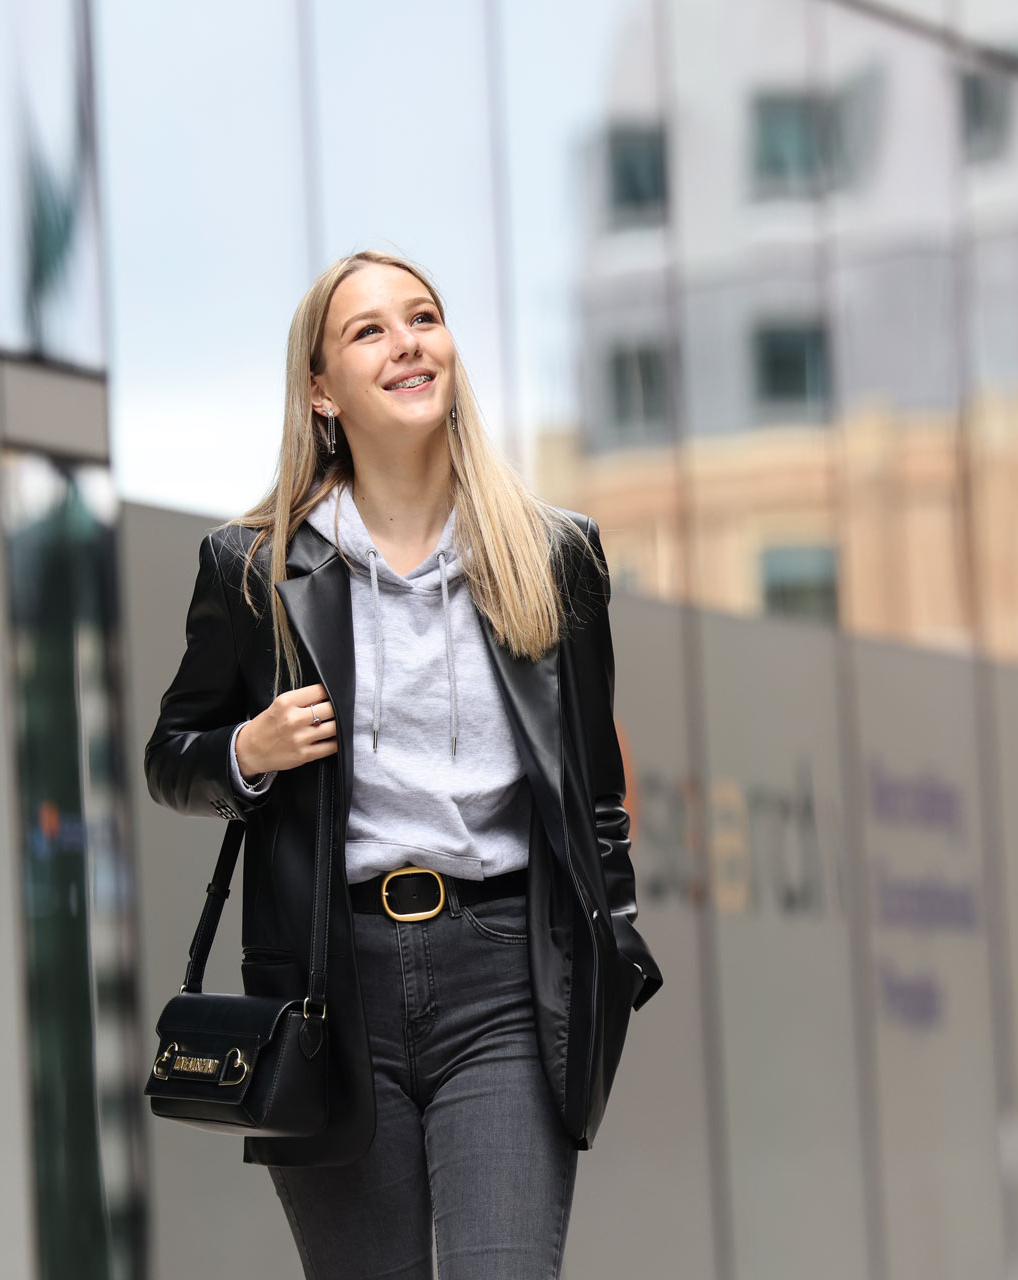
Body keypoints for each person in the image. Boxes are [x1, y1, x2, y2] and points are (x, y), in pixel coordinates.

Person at [145, 249, 663, 1280]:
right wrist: (247, 749)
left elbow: (596, 791)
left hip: (508, 977)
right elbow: (171, 755)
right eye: (370, 329)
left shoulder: (552, 554)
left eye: (422, 317)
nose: (408, 340)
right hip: (332, 984)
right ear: (322, 391)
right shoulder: (256, 567)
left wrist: (614, 948)